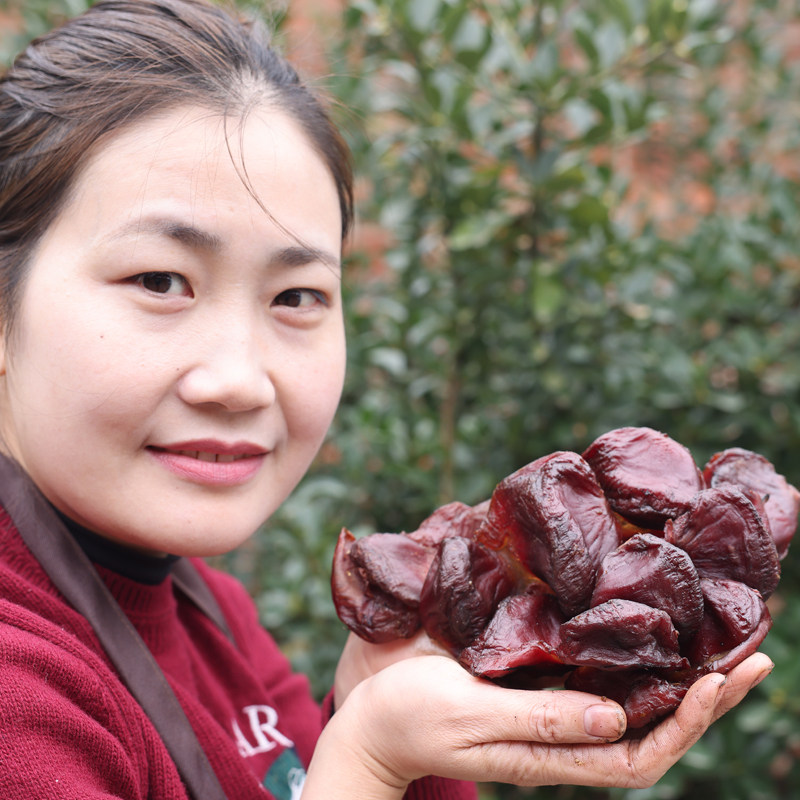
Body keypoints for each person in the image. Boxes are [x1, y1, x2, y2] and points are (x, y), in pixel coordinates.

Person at [0, 1, 772, 798]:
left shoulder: (208, 612)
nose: (238, 379)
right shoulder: (17, 702)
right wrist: (370, 757)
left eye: (297, 295)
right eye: (160, 281)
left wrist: (406, 708)